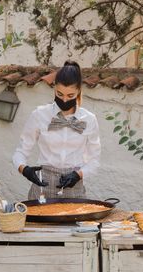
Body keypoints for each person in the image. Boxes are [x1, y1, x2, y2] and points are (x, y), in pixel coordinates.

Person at [12, 61, 101, 199]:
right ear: (54, 89)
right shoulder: (39, 115)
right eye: (60, 94)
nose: (64, 100)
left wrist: (78, 175)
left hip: (74, 188)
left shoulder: (89, 119)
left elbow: (94, 160)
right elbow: (20, 152)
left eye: (70, 96)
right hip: (42, 186)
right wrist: (25, 170)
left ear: (78, 91)